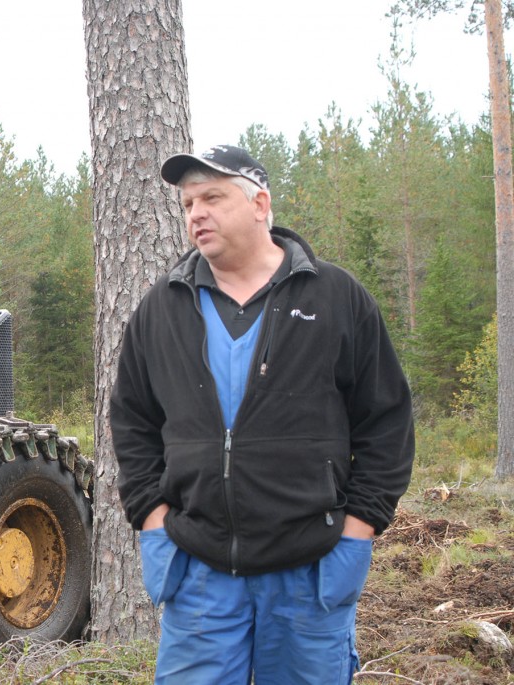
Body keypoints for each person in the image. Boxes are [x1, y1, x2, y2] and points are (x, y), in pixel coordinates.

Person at [109, 144, 415, 684]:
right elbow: (132, 420)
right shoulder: (162, 308)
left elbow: (385, 420)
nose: (196, 213)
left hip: (311, 567)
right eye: (186, 204)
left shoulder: (336, 297)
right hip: (199, 569)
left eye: (212, 197)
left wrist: (358, 530)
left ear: (259, 204)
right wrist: (152, 518)